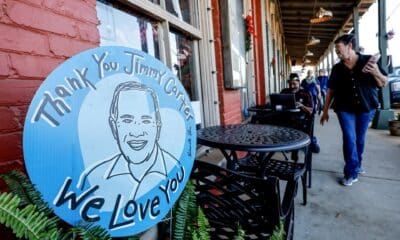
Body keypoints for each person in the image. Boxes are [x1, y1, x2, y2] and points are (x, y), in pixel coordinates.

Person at [78, 81, 180, 205]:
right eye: (127, 120)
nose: (136, 133)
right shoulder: (92, 179)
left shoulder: (177, 171)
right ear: (114, 127)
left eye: (146, 120)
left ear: (158, 126)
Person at [320, 34, 387, 186]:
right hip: (344, 108)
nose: (337, 53)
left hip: (366, 107)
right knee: (350, 138)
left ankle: (357, 163)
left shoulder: (368, 60)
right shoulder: (337, 68)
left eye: (339, 49)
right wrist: (324, 111)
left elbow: (384, 83)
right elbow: (330, 90)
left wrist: (375, 71)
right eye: (336, 50)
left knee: (360, 138)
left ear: (349, 46)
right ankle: (351, 172)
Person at [281, 73, 317, 159]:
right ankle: (290, 146)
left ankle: (298, 147)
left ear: (299, 83)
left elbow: (311, 111)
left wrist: (302, 106)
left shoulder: (305, 93)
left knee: (295, 126)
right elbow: (278, 104)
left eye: (294, 84)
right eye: (290, 84)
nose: (292, 86)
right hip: (286, 118)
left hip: (301, 120)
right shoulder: (284, 92)